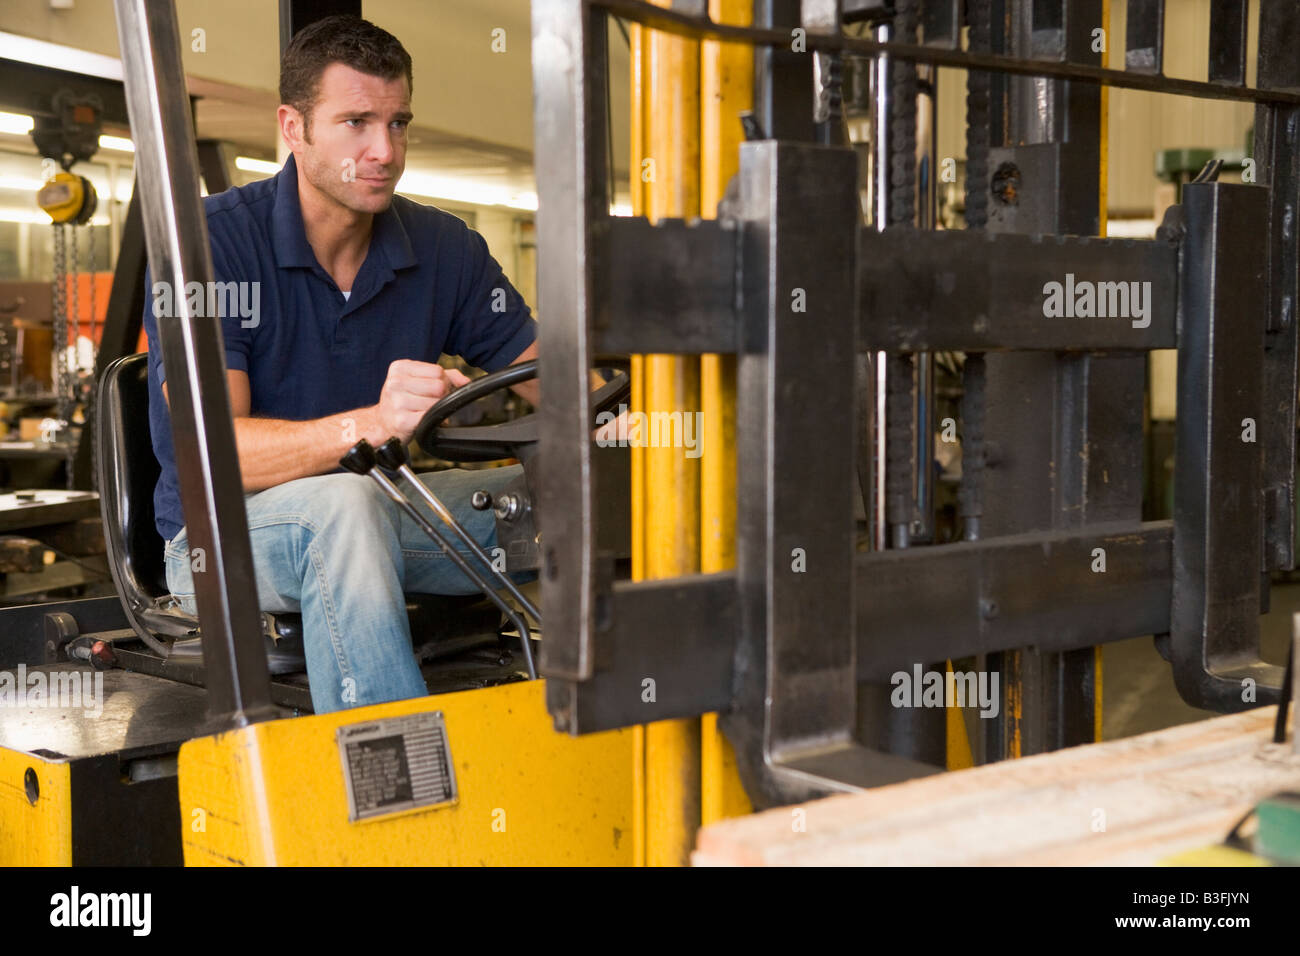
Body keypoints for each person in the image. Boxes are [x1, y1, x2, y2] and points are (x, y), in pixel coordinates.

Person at [143, 15, 539, 714]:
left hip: (394, 512)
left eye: (398, 122)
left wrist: (625, 427)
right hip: (225, 541)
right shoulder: (208, 246)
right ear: (293, 128)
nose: (384, 150)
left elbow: (552, 377)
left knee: (577, 491)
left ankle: (600, 738)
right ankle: (394, 783)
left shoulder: (444, 248)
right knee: (347, 505)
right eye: (355, 122)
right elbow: (213, 454)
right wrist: (373, 424)